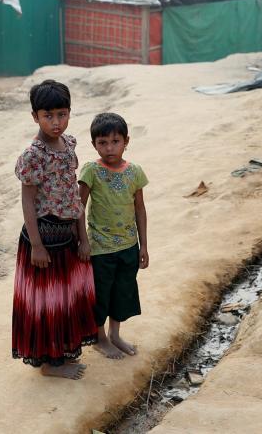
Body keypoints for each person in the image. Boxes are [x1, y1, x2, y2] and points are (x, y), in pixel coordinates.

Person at [11, 79, 98, 379]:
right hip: (44, 239)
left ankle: (61, 355)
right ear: (35, 116)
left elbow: (74, 197)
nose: (56, 122)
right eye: (48, 116)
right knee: (47, 303)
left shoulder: (69, 144)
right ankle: (49, 364)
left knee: (66, 299)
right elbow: (27, 200)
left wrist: (82, 238)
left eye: (62, 114)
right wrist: (36, 245)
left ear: (69, 113)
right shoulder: (34, 156)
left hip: (67, 237)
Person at [78, 112, 148, 359]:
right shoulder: (91, 171)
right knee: (101, 294)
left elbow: (140, 208)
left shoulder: (135, 172)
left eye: (115, 141)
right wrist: (83, 241)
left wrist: (143, 246)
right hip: (100, 248)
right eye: (102, 142)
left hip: (129, 245)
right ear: (94, 144)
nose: (109, 148)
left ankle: (115, 334)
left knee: (122, 291)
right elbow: (79, 207)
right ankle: (100, 338)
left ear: (126, 141)